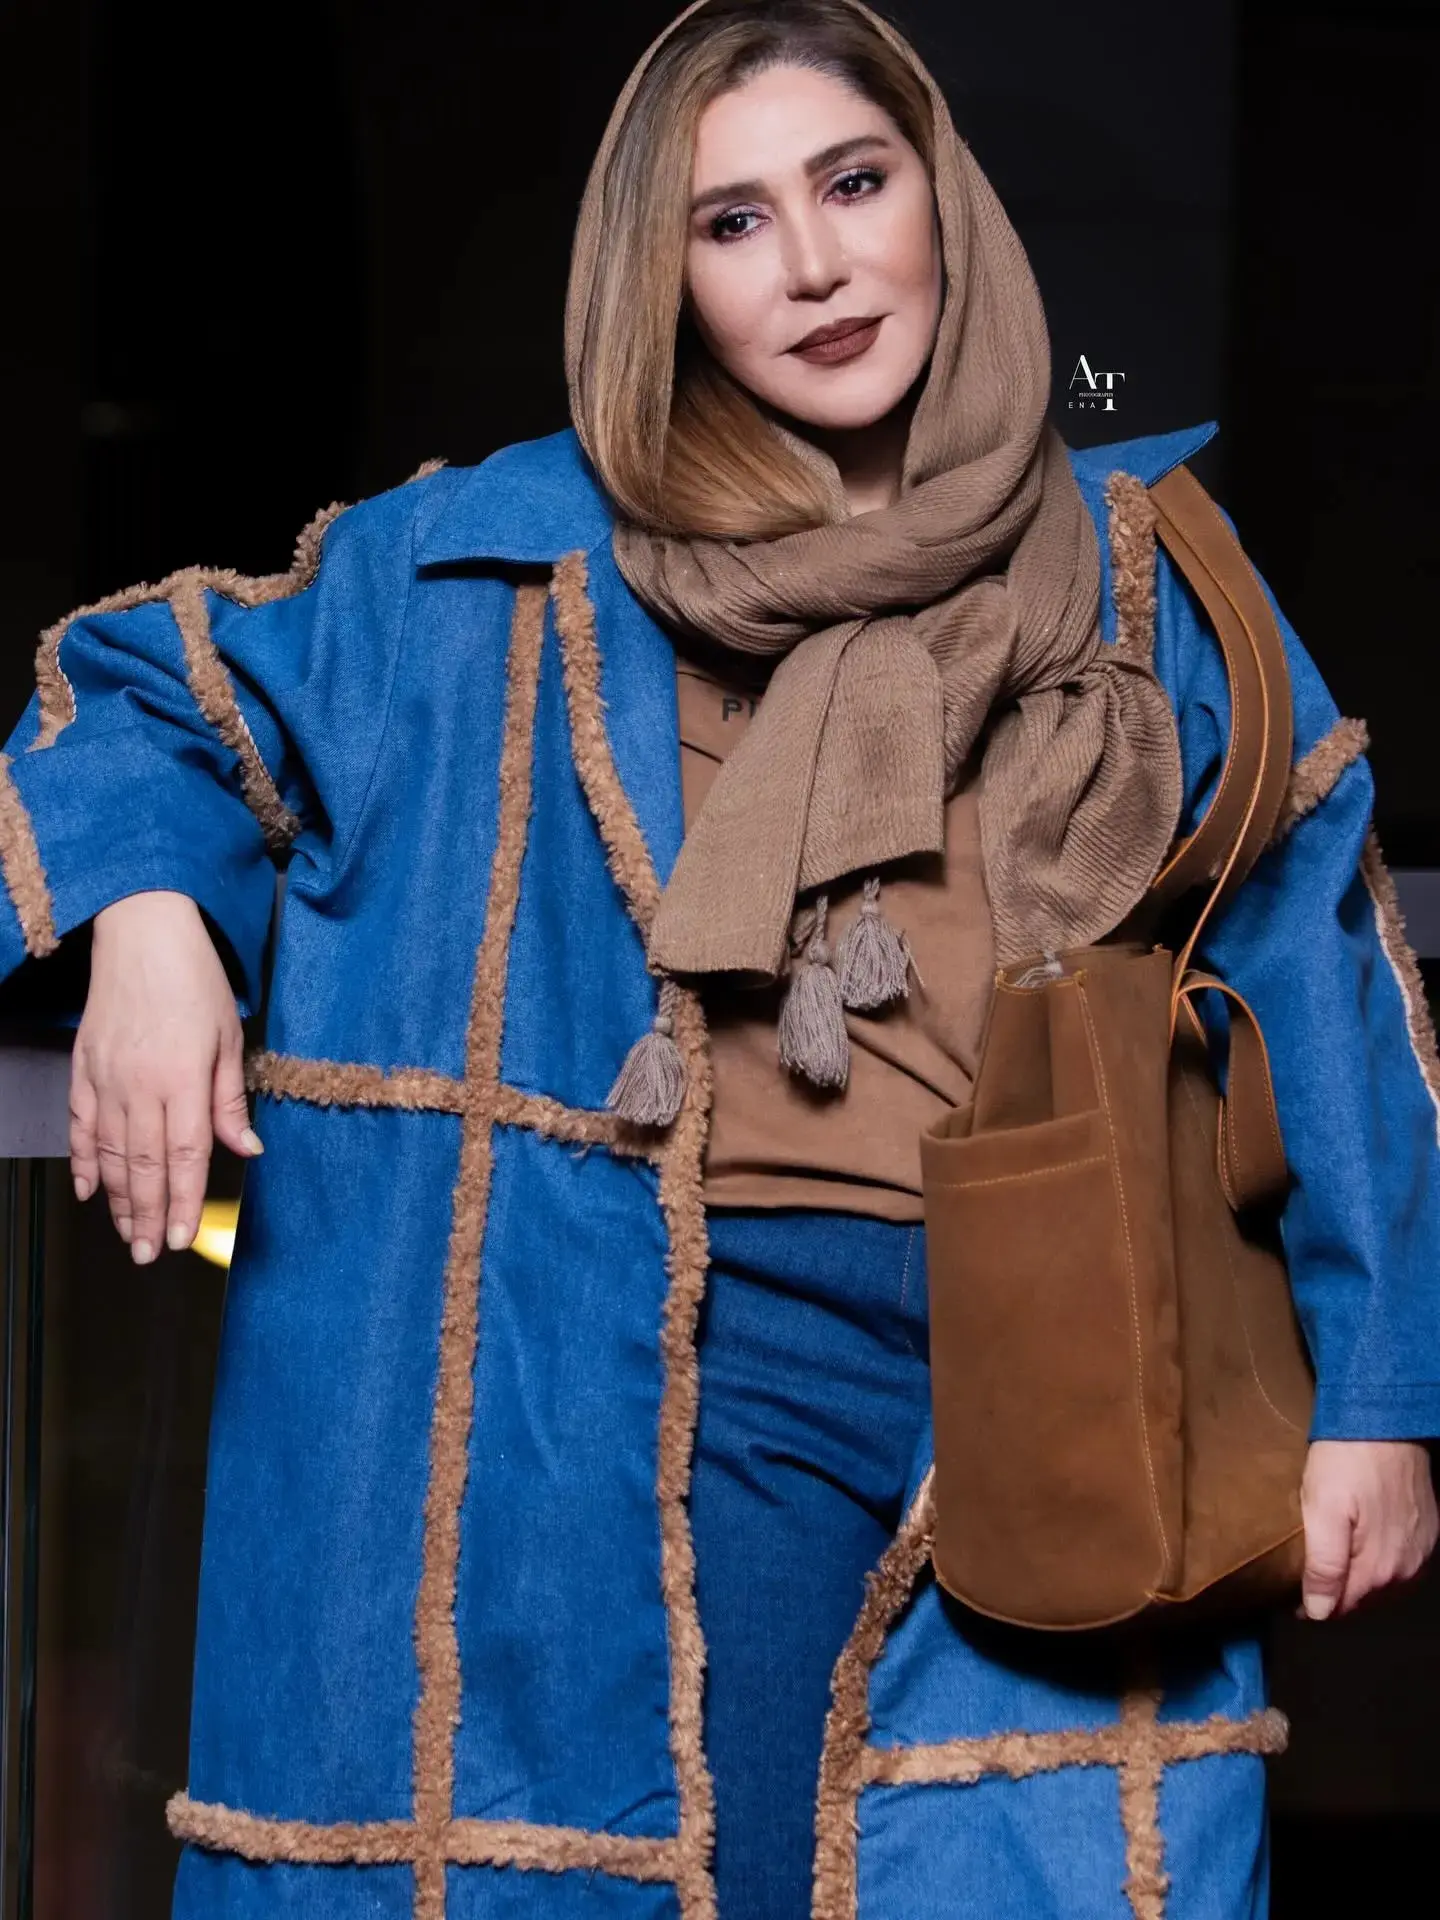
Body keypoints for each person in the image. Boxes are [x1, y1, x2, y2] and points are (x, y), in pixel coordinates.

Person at [0, 0, 1436, 1914]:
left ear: (943, 198)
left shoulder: (1142, 578)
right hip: (689, 1367)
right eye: (733, 221)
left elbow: (1319, 979)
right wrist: (153, 934)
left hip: (1086, 1366)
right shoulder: (491, 567)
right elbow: (138, 693)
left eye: (855, 182)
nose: (816, 264)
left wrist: (1380, 1399)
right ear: (658, 280)